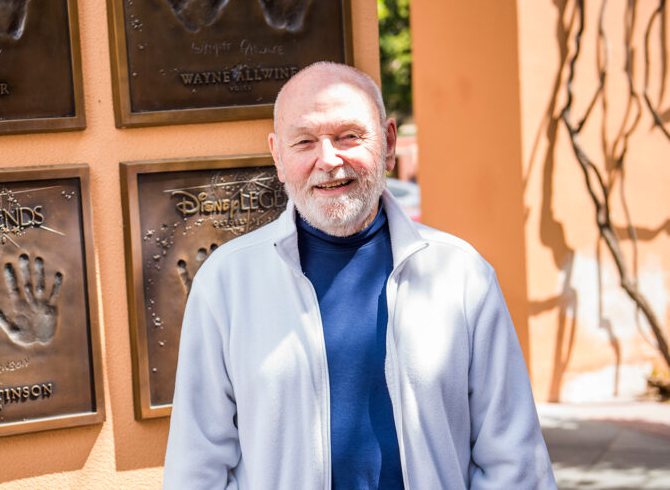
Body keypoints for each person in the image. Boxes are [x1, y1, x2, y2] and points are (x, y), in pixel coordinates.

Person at [163, 62, 556, 489]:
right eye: (305, 141)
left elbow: (514, 460)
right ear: (278, 156)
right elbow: (196, 465)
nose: (329, 159)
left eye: (349, 136)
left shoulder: (462, 276)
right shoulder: (226, 283)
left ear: (388, 143)